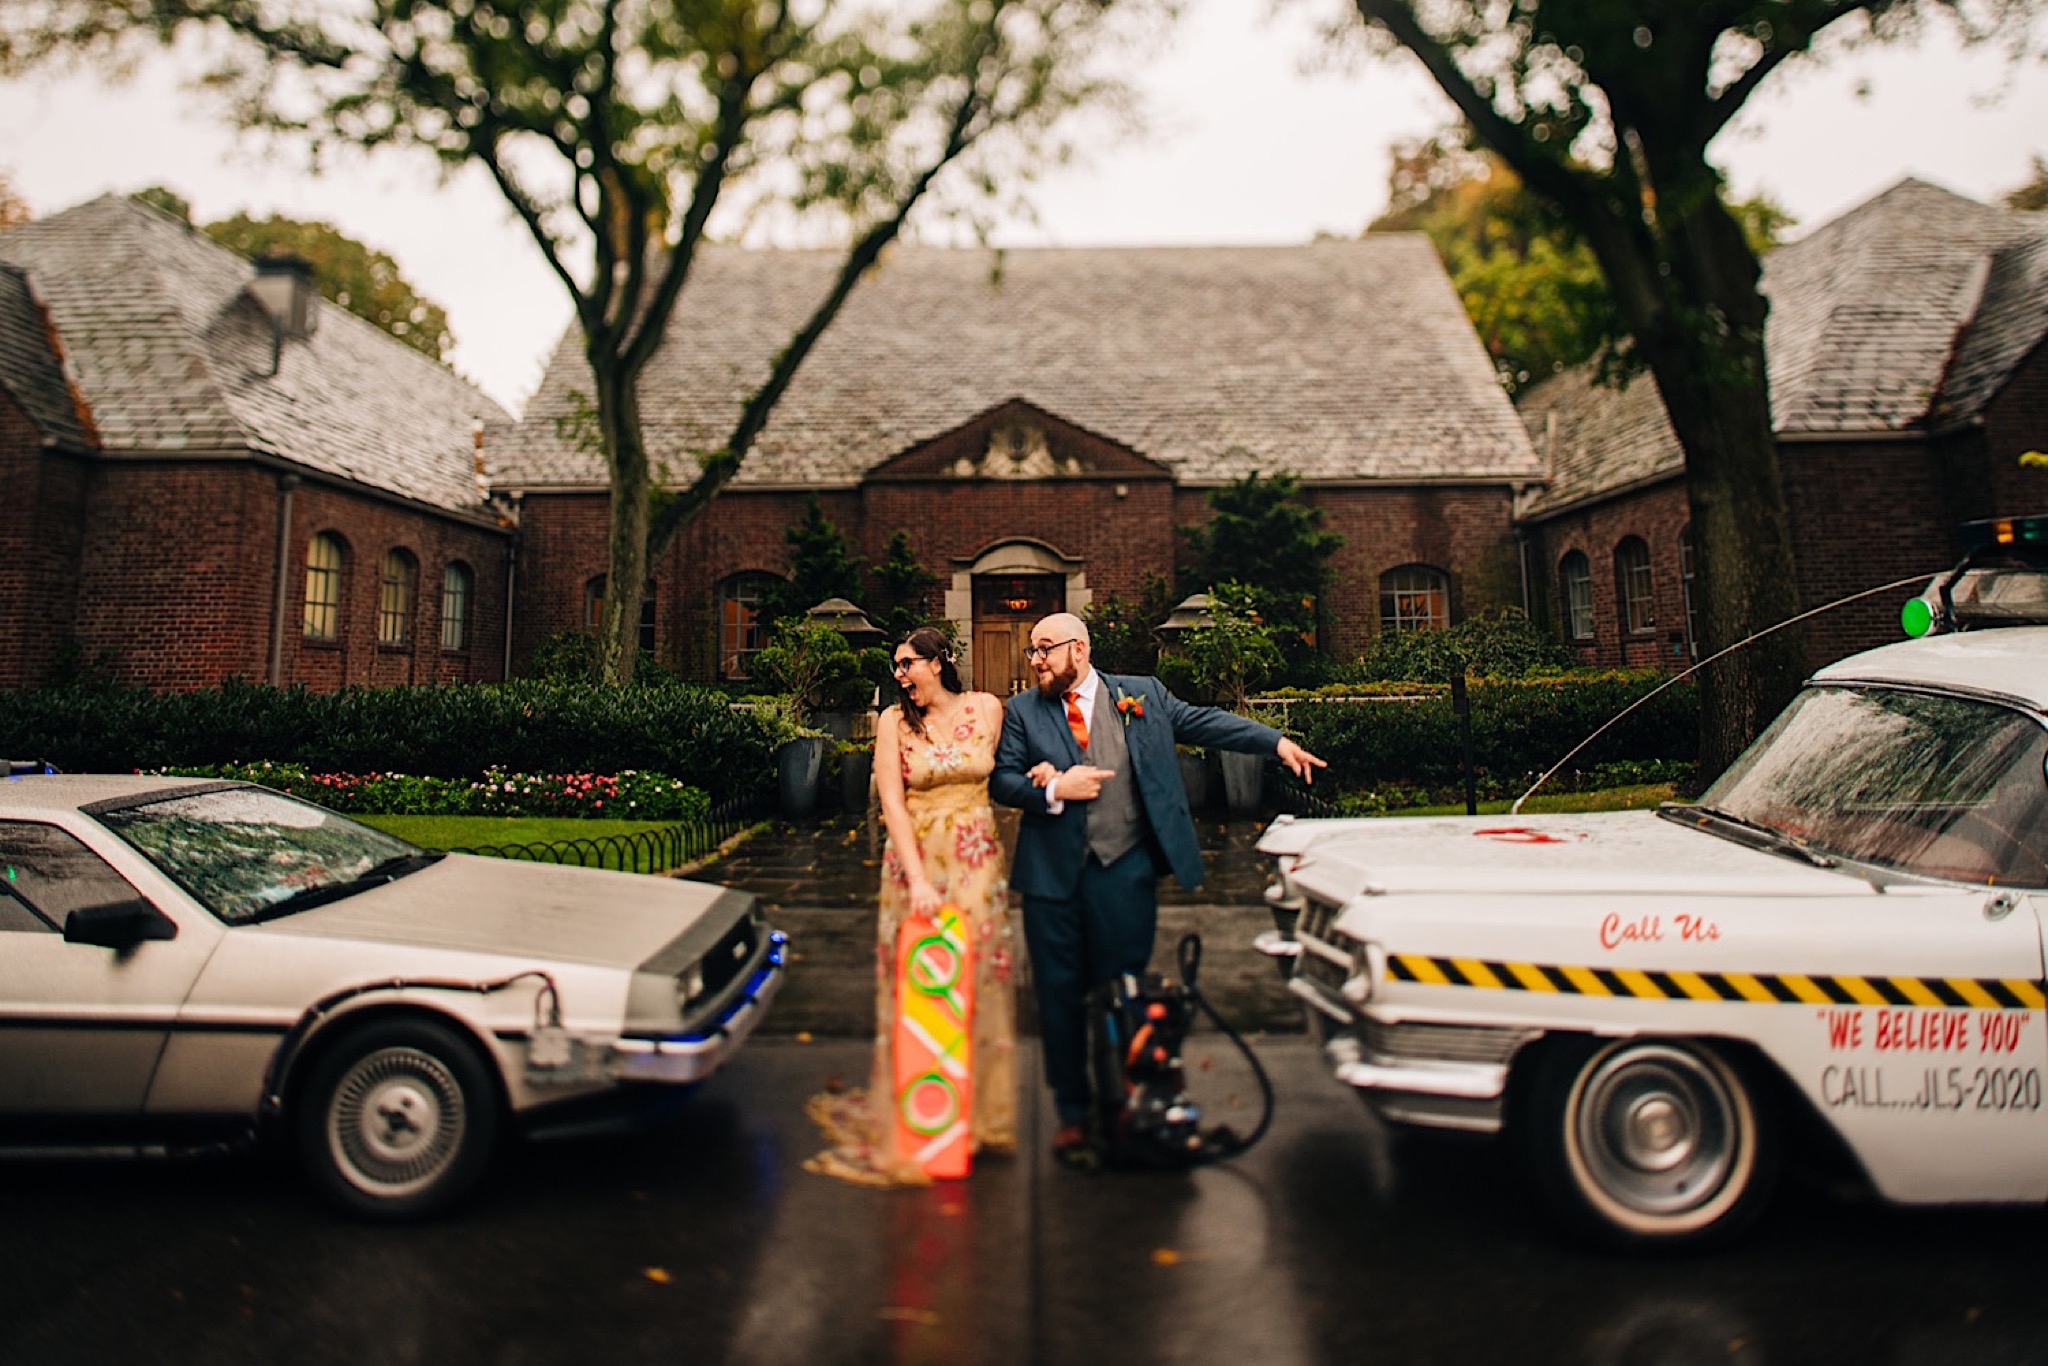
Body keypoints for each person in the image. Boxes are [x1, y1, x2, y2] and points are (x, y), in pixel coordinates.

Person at [990, 612, 1326, 1165]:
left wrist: (1275, 742)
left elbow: (1204, 722)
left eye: (1045, 649)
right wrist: (1052, 791)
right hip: (1052, 879)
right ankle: (1073, 1113)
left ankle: (1127, 1103)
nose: (1036, 660)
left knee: (1126, 991)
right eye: (1032, 651)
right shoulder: (1024, 711)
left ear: (1079, 649)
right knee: (1059, 999)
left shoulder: (1140, 694)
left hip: (1123, 870)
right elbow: (1003, 779)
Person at [805, 625, 1018, 1185]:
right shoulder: (893, 723)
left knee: (979, 977)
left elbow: (1008, 771)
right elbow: (892, 804)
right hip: (915, 859)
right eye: (896, 667)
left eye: (908, 664)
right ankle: (925, 1116)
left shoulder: (987, 708)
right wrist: (918, 878)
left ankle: (980, 1115)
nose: (900, 675)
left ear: (938, 662)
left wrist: (1047, 777)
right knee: (922, 985)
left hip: (975, 858)